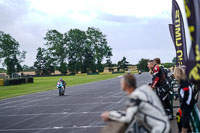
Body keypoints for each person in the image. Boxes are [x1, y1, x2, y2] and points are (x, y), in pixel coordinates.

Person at [101, 74, 170, 133]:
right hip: (164, 125)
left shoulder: (135, 97)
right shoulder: (143, 90)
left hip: (160, 129)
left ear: (125, 84)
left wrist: (110, 115)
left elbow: (128, 117)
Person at [174, 67, 195, 133]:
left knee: (184, 123)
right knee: (182, 119)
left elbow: (187, 95)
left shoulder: (184, 83)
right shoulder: (183, 82)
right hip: (186, 105)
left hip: (186, 106)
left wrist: (182, 106)